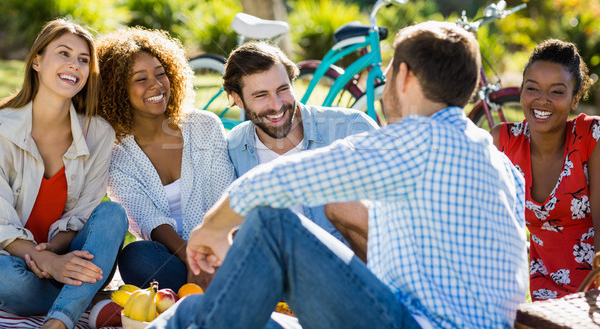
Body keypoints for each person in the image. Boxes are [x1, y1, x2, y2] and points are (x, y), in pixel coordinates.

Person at [147, 21, 529, 329]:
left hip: (413, 323)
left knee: (273, 223)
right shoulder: (497, 161)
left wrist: (211, 228)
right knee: (214, 315)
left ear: (406, 76)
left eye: (392, 65)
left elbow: (272, 184)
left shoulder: (416, 141)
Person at [0, 19, 128, 329]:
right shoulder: (3, 127)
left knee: (113, 214)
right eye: (64, 53)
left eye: (84, 60)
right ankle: (87, 299)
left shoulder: (98, 133)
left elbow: (85, 212)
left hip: (72, 258)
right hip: (14, 261)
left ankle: (58, 321)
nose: (75, 65)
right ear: (36, 62)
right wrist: (41, 259)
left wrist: (56, 257)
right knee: (9, 283)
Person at [97, 27, 236, 292]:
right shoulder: (116, 156)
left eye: (161, 73)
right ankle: (214, 289)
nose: (156, 84)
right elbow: (150, 221)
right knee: (136, 257)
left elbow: (225, 197)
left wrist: (211, 256)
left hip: (225, 245)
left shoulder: (204, 125)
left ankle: (208, 288)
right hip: (176, 259)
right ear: (117, 89)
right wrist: (191, 260)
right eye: (141, 79)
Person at [224, 41, 378, 260]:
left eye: (283, 89)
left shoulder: (351, 128)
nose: (277, 105)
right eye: (261, 95)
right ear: (237, 99)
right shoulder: (233, 148)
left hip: (358, 272)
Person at [491, 39, 600, 301]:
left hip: (593, 290)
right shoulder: (502, 142)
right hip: (542, 292)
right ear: (521, 93)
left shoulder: (591, 137)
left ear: (575, 100)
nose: (542, 100)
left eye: (557, 92)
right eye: (532, 88)